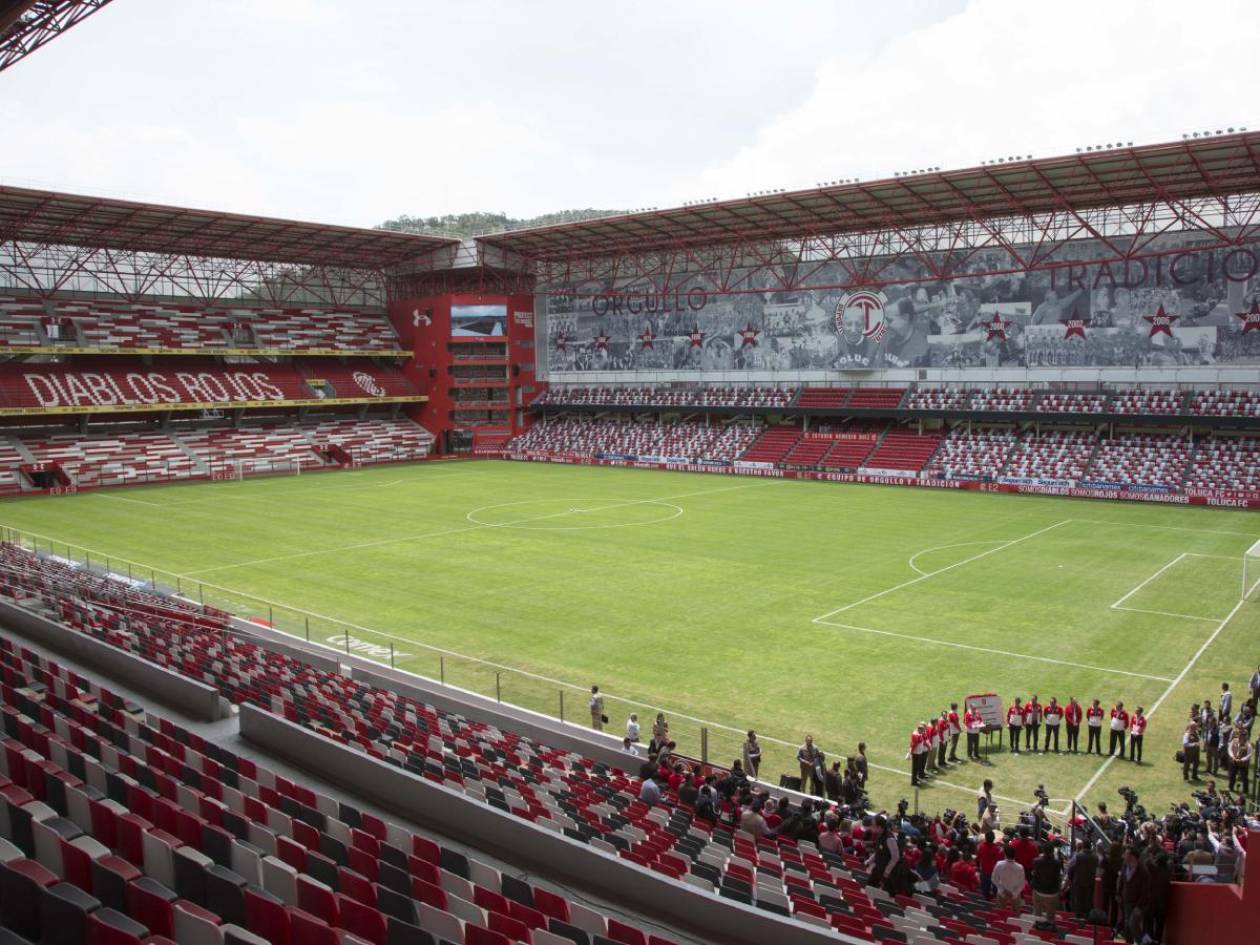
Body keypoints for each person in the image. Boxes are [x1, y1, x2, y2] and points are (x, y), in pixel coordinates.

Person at [1119, 846, 1150, 943]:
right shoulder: (1125, 866)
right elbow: (1122, 881)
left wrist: (1139, 905)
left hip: (1138, 903)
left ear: (1133, 856)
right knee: (1127, 924)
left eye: (1127, 854)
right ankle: (1129, 942)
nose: (1124, 856)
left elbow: (1145, 891)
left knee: (1133, 924)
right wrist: (1119, 893)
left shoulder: (1143, 871)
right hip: (1126, 900)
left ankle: (1143, 942)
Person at [1030, 842, 1062, 929]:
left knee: (1038, 913)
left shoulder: (1036, 861)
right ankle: (1049, 927)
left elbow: (1035, 876)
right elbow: (1058, 878)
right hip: (1052, 893)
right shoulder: (1057, 863)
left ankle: (1037, 926)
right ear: (1052, 851)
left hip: (1039, 891)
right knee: (1051, 916)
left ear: (1043, 851)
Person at [1068, 840, 1098, 919]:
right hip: (1090, 882)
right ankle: (1087, 917)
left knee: (1078, 900)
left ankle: (1078, 917)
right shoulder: (1095, 857)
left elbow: (1071, 867)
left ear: (1083, 846)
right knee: (1088, 901)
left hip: (1078, 881)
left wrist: (1070, 877)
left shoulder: (1078, 856)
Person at [992, 845, 1026, 914]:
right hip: (1014, 894)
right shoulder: (1020, 867)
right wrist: (1014, 893)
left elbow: (994, 879)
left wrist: (1003, 890)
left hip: (1002, 893)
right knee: (1016, 914)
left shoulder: (999, 864)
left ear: (1005, 854)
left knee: (1000, 913)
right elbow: (1022, 884)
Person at [976, 829, 1003, 900]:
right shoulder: (998, 849)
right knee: (996, 892)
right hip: (995, 874)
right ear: (994, 838)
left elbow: (978, 859)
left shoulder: (980, 847)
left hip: (984, 872)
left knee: (985, 892)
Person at [1228, 723, 1253, 794]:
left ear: (1245, 736)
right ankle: (1230, 787)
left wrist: (1241, 760)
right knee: (1232, 775)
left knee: (1244, 778)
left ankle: (1245, 791)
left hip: (1243, 764)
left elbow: (1249, 755)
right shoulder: (1234, 741)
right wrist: (1233, 756)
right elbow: (1229, 749)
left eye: (1243, 735)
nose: (1241, 736)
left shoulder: (1248, 745)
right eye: (1240, 735)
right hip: (1234, 761)